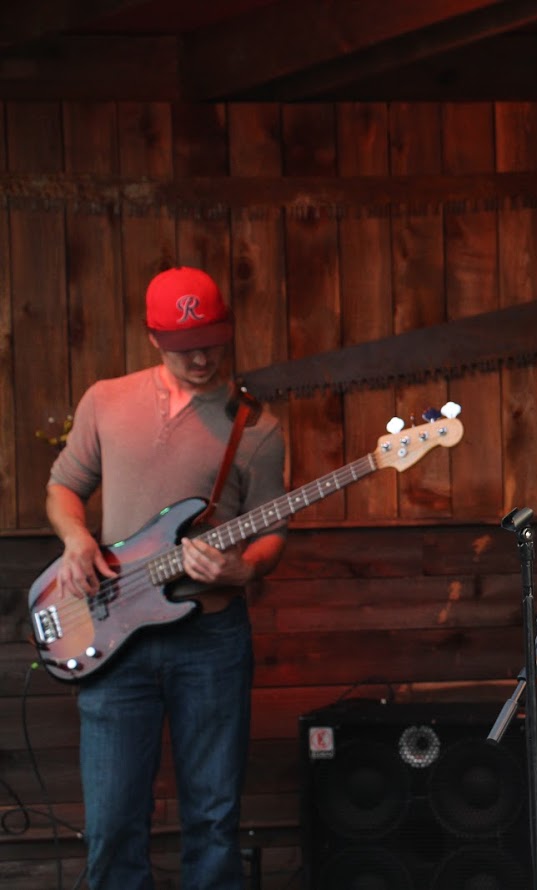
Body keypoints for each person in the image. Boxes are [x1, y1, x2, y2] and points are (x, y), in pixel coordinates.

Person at [47, 266, 288, 890]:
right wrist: (76, 539)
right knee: (112, 821)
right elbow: (63, 487)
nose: (201, 356)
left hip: (210, 640)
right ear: (154, 337)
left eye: (211, 339)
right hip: (112, 631)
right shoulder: (106, 399)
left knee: (213, 819)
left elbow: (273, 533)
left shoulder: (256, 429)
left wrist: (243, 568)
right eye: (184, 346)